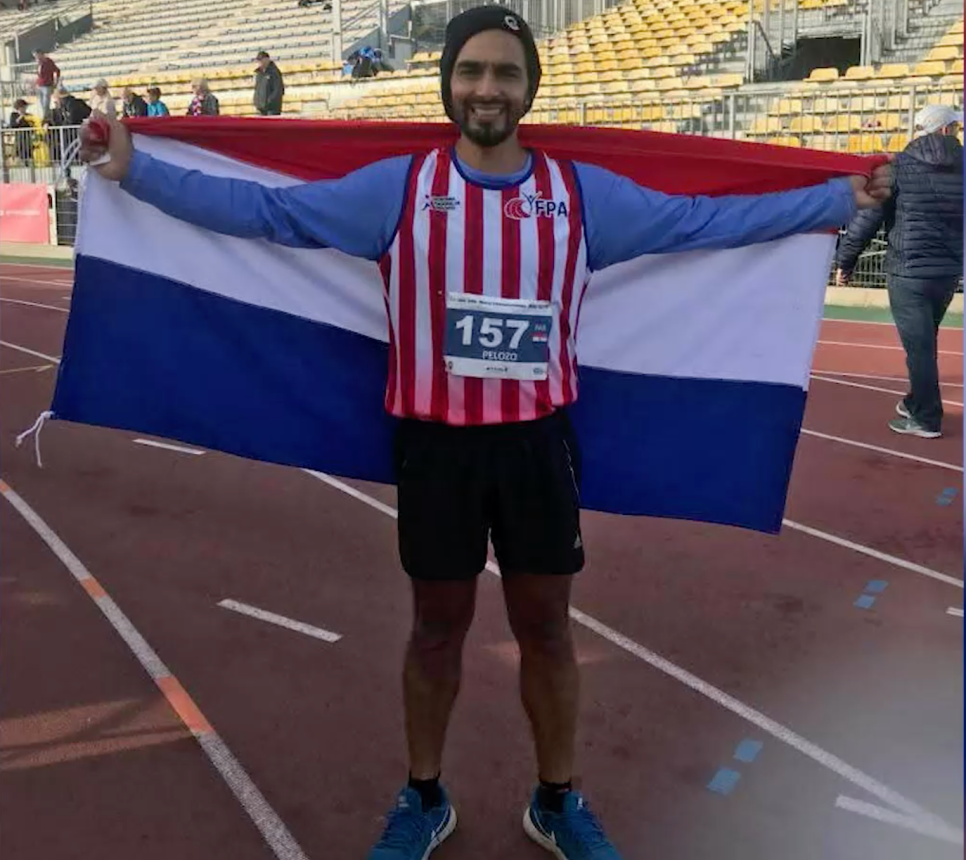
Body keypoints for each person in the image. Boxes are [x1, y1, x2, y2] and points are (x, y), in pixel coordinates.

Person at [79, 7, 890, 858]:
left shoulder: (581, 196)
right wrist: (136, 170)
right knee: (436, 630)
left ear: (529, 89)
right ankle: (424, 797)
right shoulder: (400, 189)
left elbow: (703, 223)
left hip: (537, 447)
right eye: (471, 71)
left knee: (548, 629)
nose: (487, 88)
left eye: (506, 72)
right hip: (437, 449)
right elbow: (266, 211)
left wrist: (838, 198)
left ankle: (557, 800)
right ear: (449, 84)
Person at [835, 103, 963, 439]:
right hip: (948, 271)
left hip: (908, 271)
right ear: (945, 130)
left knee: (919, 347)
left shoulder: (899, 166)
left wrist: (845, 261)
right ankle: (915, 401)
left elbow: (868, 219)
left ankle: (926, 418)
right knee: (924, 341)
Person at [253, 50, 285, 116]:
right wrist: (256, 102)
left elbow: (278, 90)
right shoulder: (259, 73)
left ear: (267, 59)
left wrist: (269, 102)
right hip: (261, 108)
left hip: (272, 109)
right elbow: (257, 88)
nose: (259, 63)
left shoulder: (274, 72)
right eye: (258, 61)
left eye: (261, 60)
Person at [33, 48, 60, 119]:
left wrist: (56, 82)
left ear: (41, 54)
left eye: (37, 55)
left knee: (46, 103)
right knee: (42, 103)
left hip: (47, 85)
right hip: (39, 85)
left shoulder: (48, 61)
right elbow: (39, 74)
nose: (36, 58)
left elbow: (57, 70)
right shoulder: (39, 63)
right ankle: (48, 117)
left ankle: (45, 117)